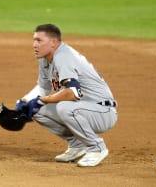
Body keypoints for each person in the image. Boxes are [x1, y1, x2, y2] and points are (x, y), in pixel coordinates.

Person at [16, 24, 118, 167]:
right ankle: (77, 145)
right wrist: (24, 101)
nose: (34, 45)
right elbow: (43, 88)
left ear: (53, 42)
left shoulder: (64, 56)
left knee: (64, 107)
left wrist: (42, 100)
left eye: (39, 41)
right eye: (34, 40)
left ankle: (96, 148)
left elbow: (73, 93)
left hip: (102, 111)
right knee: (36, 109)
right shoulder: (44, 59)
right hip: (82, 108)